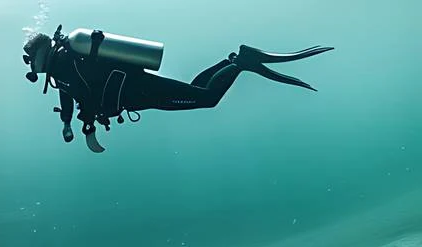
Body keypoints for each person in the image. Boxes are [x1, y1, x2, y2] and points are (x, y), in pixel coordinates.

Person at [22, 25, 332, 153]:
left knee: (207, 99)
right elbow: (71, 94)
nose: (30, 66)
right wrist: (67, 122)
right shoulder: (63, 66)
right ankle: (235, 59)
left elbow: (85, 97)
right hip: (139, 91)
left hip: (140, 91)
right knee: (196, 92)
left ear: (39, 55)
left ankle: (242, 62)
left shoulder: (65, 64)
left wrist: (87, 128)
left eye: (29, 60)